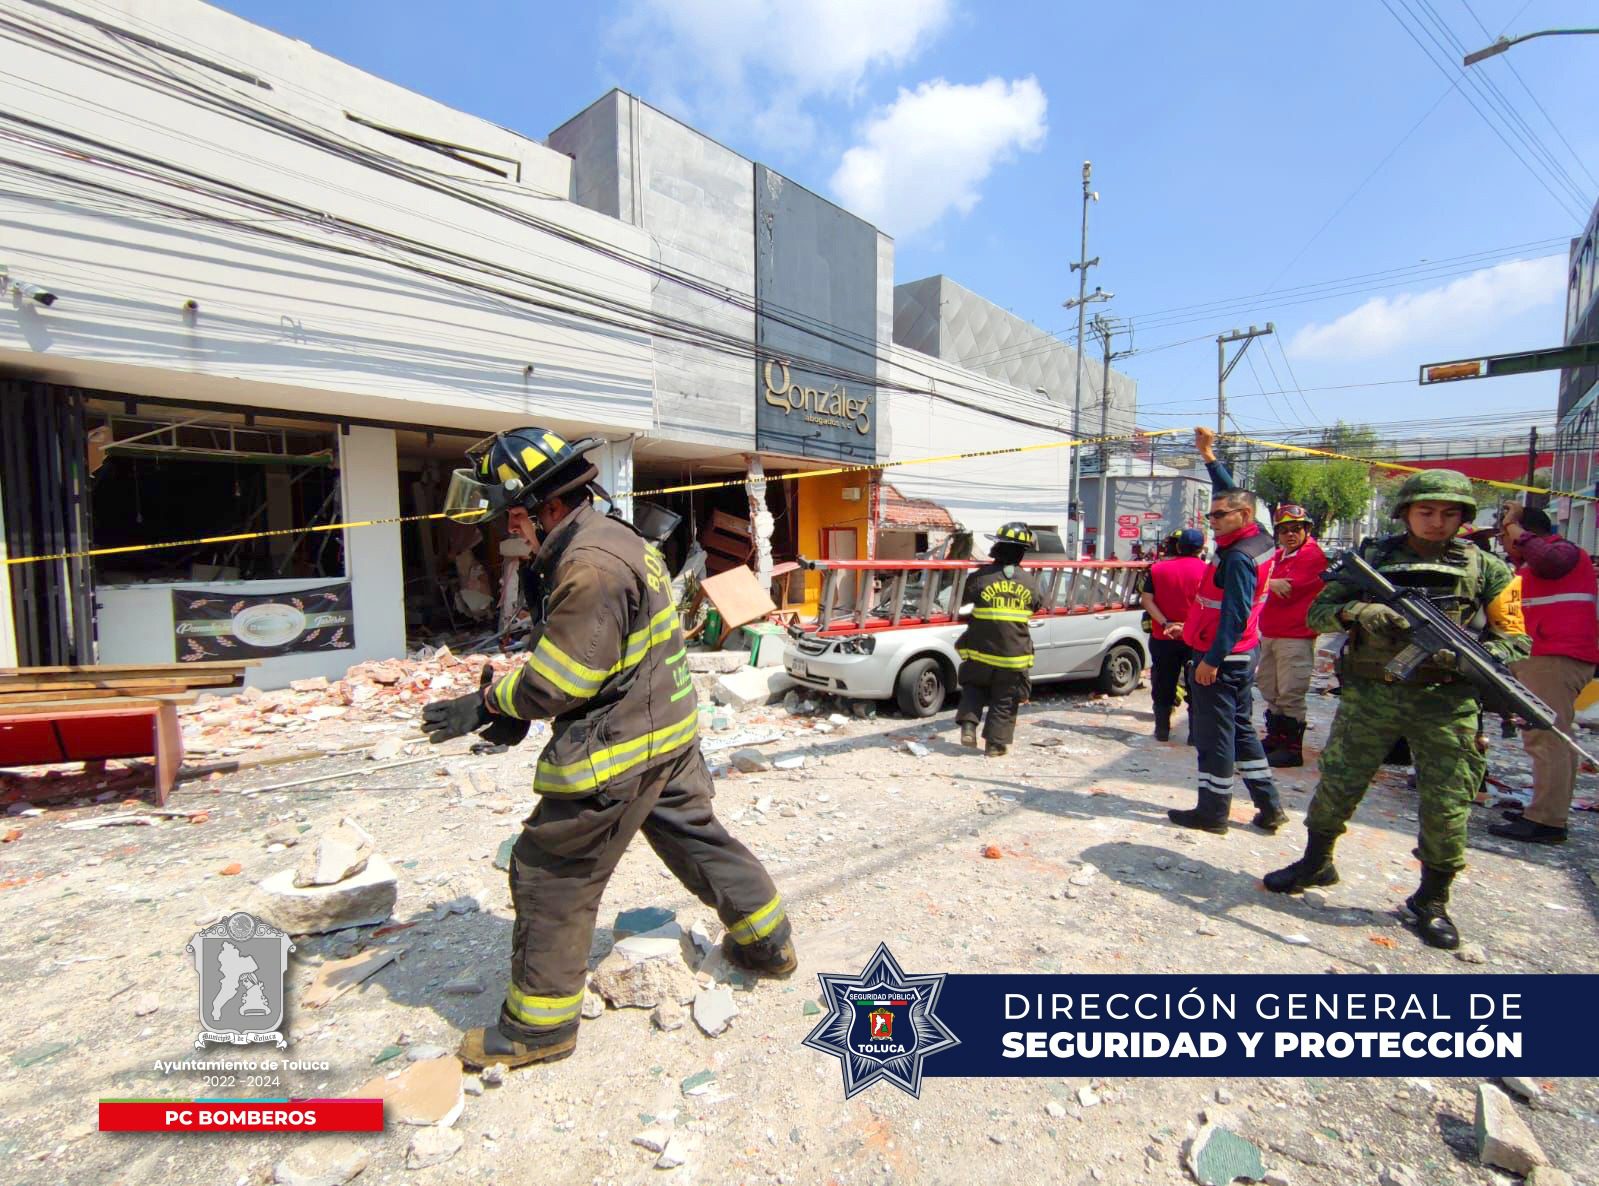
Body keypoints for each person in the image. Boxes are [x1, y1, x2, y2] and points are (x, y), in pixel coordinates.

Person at [422, 428, 794, 1069]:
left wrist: (487, 705)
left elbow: (564, 680)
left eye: (514, 517)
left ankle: (538, 1030)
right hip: (666, 727)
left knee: (549, 872)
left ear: (540, 507)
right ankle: (769, 943)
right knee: (698, 838)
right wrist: (520, 702)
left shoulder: (588, 564)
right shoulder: (615, 535)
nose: (515, 532)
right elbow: (595, 653)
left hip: (621, 746)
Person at [1264, 470, 1528, 950]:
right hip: (1372, 695)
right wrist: (1361, 613)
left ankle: (1431, 898)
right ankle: (1316, 862)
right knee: (1339, 782)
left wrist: (1466, 656)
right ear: (1405, 512)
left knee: (1448, 802)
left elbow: (1517, 641)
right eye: (1425, 511)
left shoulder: (1489, 569)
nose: (1436, 522)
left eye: (1449, 514)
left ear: (1465, 518)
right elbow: (1317, 612)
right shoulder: (1373, 559)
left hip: (1446, 703)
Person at [1169, 427, 1285, 835]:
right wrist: (1208, 456)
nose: (1212, 521)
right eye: (1211, 515)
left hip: (1223, 655)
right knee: (1241, 730)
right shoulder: (1260, 538)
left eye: (1220, 516)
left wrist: (1211, 661)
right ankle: (1270, 806)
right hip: (1243, 650)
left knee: (1214, 737)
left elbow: (1233, 614)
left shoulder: (1237, 557)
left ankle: (1213, 812)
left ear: (1244, 517)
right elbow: (1233, 493)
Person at [1489, 503, 1599, 845]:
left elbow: (1549, 561)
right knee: (1550, 737)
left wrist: (1515, 528)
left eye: (1504, 535)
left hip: (1554, 656)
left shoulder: (1562, 553)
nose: (1505, 543)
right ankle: (1543, 810)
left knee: (1546, 736)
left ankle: (1546, 821)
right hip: (1546, 656)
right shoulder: (1531, 569)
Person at [954, 522, 1042, 757]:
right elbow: (1037, 604)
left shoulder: (980, 578)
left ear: (997, 548)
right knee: (1005, 699)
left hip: (980, 651)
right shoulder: (1029, 582)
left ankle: (969, 727)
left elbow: (959, 601)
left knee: (973, 687)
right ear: (1021, 552)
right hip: (1013, 656)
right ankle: (995, 745)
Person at [1258, 504, 1326, 768]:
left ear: (1306, 530)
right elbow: (1255, 576)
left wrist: (1267, 582)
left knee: (1290, 692)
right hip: (1271, 632)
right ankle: (1276, 738)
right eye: (1284, 530)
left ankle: (1292, 748)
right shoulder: (1279, 556)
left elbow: (1287, 588)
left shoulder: (1311, 556)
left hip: (1295, 636)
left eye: (1296, 529)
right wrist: (1268, 582)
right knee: (1270, 688)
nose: (1290, 534)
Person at [1139, 527, 1207, 741]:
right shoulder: (1208, 571)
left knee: (1163, 683)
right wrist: (1187, 626)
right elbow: (1210, 606)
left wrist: (1166, 623)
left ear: (1178, 547)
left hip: (1163, 636)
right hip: (1196, 638)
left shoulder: (1158, 570)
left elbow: (1146, 600)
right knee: (1196, 685)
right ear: (1201, 549)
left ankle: (1162, 730)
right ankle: (1195, 735)